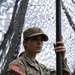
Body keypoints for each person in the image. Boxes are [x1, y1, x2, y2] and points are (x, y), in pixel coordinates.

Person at [6, 27, 71, 75]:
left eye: (41, 40)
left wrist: (62, 59)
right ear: (25, 43)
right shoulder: (18, 65)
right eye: (34, 39)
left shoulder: (43, 69)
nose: (39, 42)